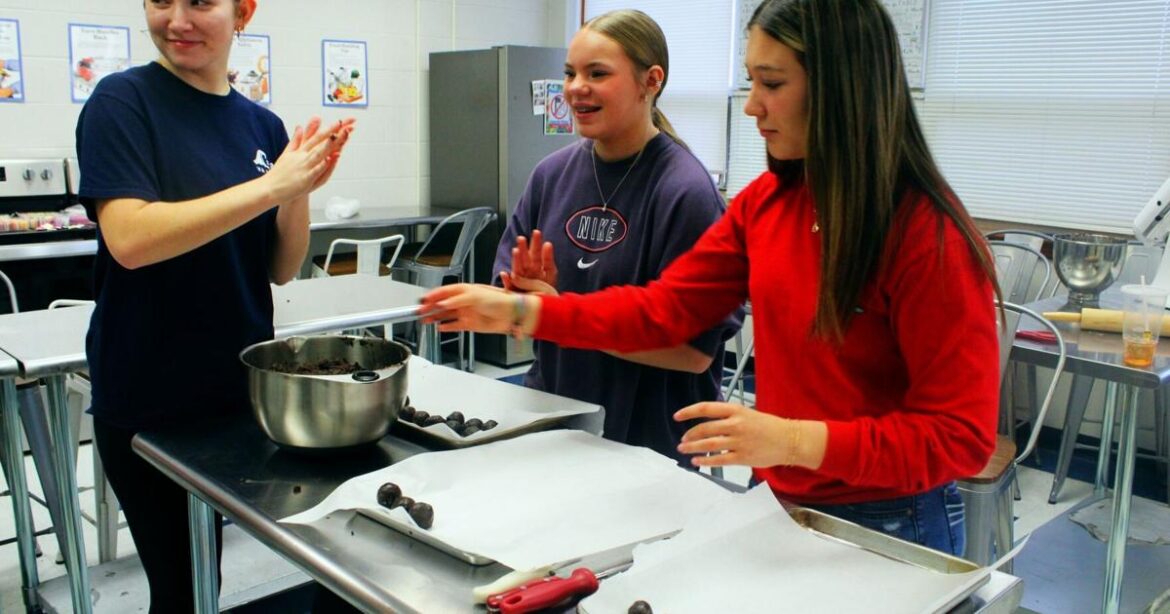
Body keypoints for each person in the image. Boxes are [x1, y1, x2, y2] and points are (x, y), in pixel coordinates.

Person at [422, 0, 1001, 557]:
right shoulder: (768, 206)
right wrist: (524, 312)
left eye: (771, 84)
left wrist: (792, 440)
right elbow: (663, 309)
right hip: (778, 498)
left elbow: (959, 437)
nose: (751, 107)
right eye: (751, 82)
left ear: (841, 89)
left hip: (889, 521)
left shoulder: (928, 236)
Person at [75, 0, 353, 610]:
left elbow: (280, 266)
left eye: (200, 2)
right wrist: (270, 186)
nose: (176, 19)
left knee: (270, 563)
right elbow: (131, 240)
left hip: (242, 391)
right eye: (159, 1)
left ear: (243, 12)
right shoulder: (123, 103)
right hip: (149, 395)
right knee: (182, 586)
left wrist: (297, 191)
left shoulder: (261, 125)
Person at [492, 9, 742, 465]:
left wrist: (557, 312)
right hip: (556, 420)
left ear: (651, 81)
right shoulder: (551, 176)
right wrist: (523, 302)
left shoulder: (684, 192)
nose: (575, 88)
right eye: (570, 73)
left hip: (652, 444)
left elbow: (693, 353)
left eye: (597, 73)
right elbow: (511, 313)